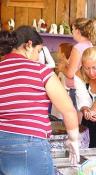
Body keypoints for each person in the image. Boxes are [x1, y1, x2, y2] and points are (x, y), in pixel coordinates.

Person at [0, 26, 79, 175]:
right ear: (28, 45)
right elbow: (68, 109)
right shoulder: (40, 70)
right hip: (30, 144)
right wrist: (73, 140)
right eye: (38, 51)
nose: (37, 57)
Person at [57, 18, 96, 109]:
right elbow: (80, 67)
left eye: (73, 30)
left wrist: (62, 68)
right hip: (87, 87)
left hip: (76, 89)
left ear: (78, 31)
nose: (72, 32)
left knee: (74, 119)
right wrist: (67, 63)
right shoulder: (90, 45)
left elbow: (71, 74)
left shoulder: (78, 48)